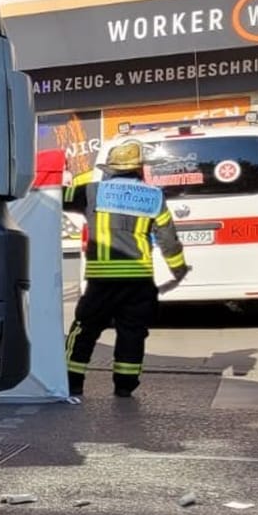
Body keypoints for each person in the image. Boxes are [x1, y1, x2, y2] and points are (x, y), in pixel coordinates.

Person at [61, 139, 190, 400]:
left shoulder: (90, 191)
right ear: (139, 169)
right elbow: (168, 239)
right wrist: (178, 270)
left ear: (110, 168)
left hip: (102, 279)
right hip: (139, 278)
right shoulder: (154, 196)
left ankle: (72, 383)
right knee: (132, 332)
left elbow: (56, 199)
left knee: (84, 329)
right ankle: (124, 386)